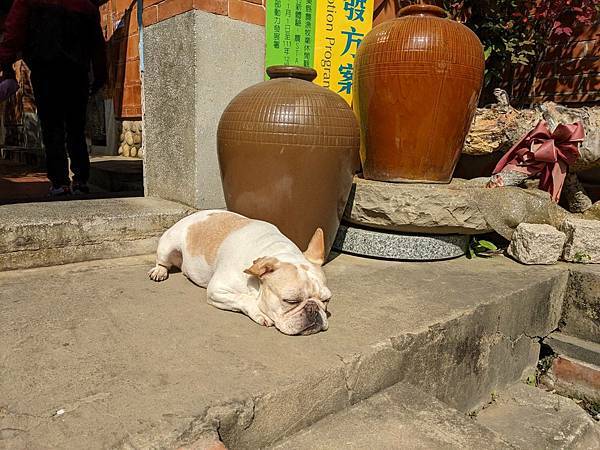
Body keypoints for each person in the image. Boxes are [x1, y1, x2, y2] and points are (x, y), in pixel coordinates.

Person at [0, 0, 107, 196]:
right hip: (77, 72)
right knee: (76, 127)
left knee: (52, 128)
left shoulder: (27, 2)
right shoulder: (85, 6)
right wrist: (101, 73)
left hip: (45, 69)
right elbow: (97, 42)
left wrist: (7, 67)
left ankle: (60, 183)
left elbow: (13, 32)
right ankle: (81, 180)